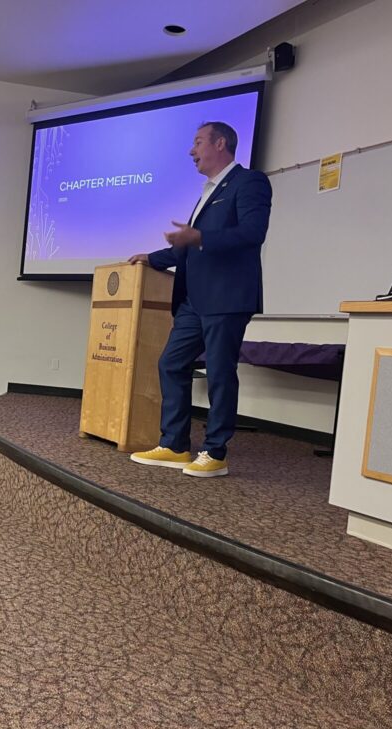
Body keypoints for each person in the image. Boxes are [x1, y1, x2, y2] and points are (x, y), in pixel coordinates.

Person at [127, 121, 272, 478]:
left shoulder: (249, 182)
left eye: (198, 142)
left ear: (220, 143)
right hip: (194, 299)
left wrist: (201, 236)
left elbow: (253, 233)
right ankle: (175, 444)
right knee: (171, 364)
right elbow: (190, 248)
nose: (192, 151)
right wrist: (153, 257)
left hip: (227, 297)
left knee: (221, 373)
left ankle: (215, 451)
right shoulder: (208, 191)